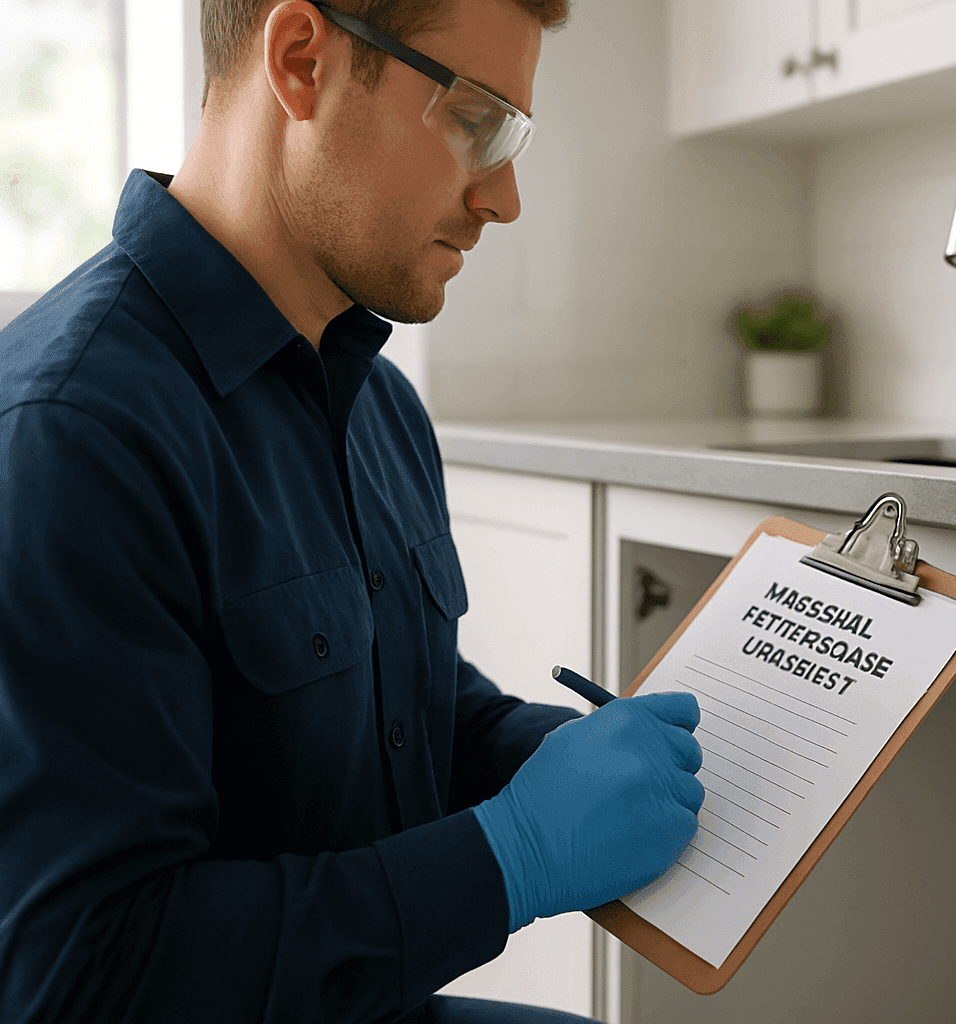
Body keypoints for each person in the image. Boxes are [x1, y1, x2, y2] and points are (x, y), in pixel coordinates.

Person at [0, 1, 706, 1021]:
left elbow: (397, 709)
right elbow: (83, 979)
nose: (504, 197)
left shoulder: (380, 407)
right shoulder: (71, 433)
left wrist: (534, 753)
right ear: (303, 63)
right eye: (476, 120)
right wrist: (512, 858)